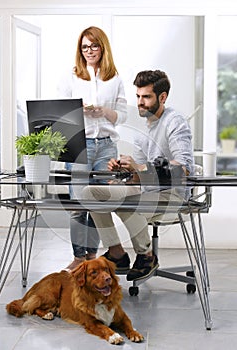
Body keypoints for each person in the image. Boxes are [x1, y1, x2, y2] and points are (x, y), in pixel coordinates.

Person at [82, 70, 194, 281]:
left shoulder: (175, 122)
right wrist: (124, 173)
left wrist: (140, 168)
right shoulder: (145, 129)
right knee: (91, 192)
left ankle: (146, 256)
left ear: (162, 97)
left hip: (173, 196)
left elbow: (184, 169)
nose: (140, 102)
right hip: (148, 191)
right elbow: (141, 175)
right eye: (138, 96)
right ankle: (117, 254)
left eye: (146, 97)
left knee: (127, 201)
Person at [58, 26, 127, 270]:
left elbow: (123, 116)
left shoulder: (114, 78)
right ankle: (79, 258)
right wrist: (81, 111)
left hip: (106, 147)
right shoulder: (72, 76)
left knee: (99, 203)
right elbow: (62, 113)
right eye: (84, 47)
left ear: (102, 47)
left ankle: (92, 258)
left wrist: (103, 112)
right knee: (78, 204)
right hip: (79, 145)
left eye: (94, 46)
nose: (89, 51)